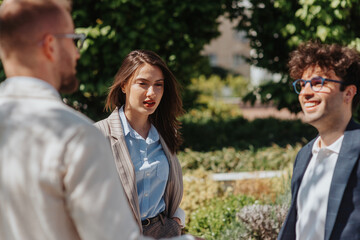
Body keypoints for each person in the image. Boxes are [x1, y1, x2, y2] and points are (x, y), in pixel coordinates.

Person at [0, 1, 196, 240]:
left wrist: (176, 221)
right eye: (73, 39)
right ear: (51, 45)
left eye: (158, 85)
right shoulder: (77, 135)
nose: (77, 52)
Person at [95, 50, 186, 239]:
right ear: (124, 85)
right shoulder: (99, 135)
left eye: (158, 85)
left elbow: (169, 191)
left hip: (164, 232)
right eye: (143, 83)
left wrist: (176, 221)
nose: (151, 93)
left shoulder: (166, 133)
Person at [278, 41, 360, 240]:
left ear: (348, 93)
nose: (306, 93)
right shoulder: (305, 155)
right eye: (302, 84)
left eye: (318, 83)